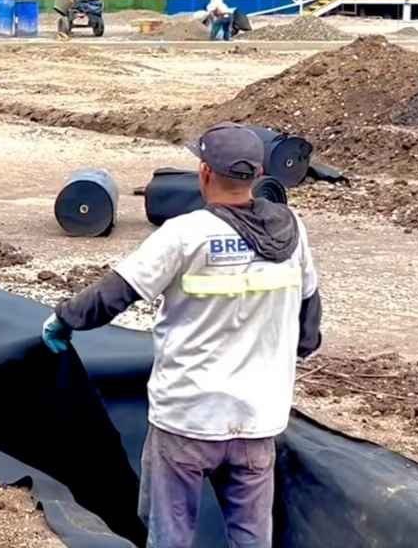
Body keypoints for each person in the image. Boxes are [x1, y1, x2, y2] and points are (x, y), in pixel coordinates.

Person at [41, 122, 323, 548]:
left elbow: (114, 295)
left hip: (187, 420)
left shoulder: (185, 234)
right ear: (258, 175)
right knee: (251, 537)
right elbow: (309, 321)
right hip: (257, 421)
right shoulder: (291, 231)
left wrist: (63, 321)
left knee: (170, 535)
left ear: (205, 173)